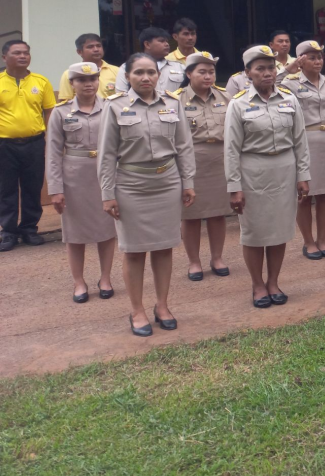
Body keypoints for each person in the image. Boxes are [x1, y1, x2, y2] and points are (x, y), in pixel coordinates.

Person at [98, 52, 196, 336]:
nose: (145, 78)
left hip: (167, 181)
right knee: (134, 250)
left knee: (164, 247)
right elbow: (106, 155)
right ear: (127, 76)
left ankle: (162, 305)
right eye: (138, 73)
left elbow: (184, 145)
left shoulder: (171, 102)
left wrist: (187, 181)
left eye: (151, 72)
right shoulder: (115, 106)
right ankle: (137, 310)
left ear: (158, 75)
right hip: (130, 184)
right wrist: (107, 193)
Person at [225, 45, 311, 308]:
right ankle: (257, 284)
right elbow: (231, 149)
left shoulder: (289, 99)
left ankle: (273, 281)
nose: (267, 73)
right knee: (254, 232)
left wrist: (303, 174)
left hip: (284, 170)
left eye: (271, 68)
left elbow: (300, 141)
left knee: (279, 230)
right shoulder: (239, 104)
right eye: (260, 68)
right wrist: (234, 186)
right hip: (253, 173)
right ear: (248, 72)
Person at [46, 62, 117, 301]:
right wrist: (55, 189)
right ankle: (79, 282)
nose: (88, 84)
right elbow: (53, 153)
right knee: (74, 233)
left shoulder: (110, 107)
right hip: (74, 177)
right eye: (82, 80)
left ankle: (105, 278)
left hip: (105, 174)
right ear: (72, 83)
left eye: (93, 79)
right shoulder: (60, 112)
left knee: (107, 229)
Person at [174, 51, 230, 281]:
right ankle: (194, 261)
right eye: (202, 72)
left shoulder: (226, 97)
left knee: (218, 213)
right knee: (191, 214)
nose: (208, 76)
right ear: (189, 74)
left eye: (211, 72)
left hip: (220, 159)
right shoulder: (176, 99)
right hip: (191, 159)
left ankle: (217, 257)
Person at [0, 39, 56, 252]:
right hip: (4, 145)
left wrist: (50, 140)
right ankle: (8, 232)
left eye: (26, 53)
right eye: (17, 53)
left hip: (33, 143)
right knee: (6, 189)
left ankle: (29, 229)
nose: (23, 56)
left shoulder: (41, 82)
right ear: (5, 57)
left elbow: (50, 111)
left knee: (32, 188)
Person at [285, 40, 325, 260]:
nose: (317, 61)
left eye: (319, 57)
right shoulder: (289, 83)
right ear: (300, 60)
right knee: (304, 196)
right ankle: (308, 241)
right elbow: (267, 85)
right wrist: (288, 69)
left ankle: (322, 239)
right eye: (311, 57)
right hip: (305, 142)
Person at [115, 27, 187, 95]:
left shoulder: (180, 67)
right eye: (161, 41)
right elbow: (122, 97)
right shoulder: (127, 67)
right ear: (147, 44)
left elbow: (187, 93)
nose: (167, 44)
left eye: (167, 41)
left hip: (173, 107)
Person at [58, 33, 119, 101]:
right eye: (90, 47)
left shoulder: (117, 71)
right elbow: (65, 103)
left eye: (98, 46)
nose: (96, 49)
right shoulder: (70, 74)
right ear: (79, 52)